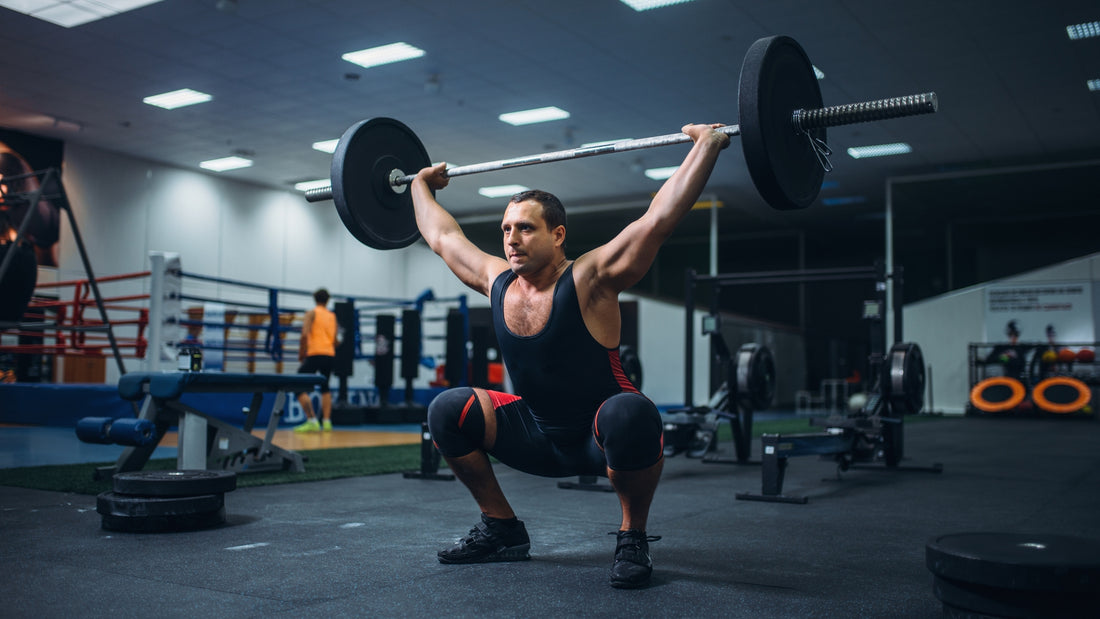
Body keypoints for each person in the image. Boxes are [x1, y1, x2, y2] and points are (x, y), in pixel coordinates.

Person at [409, 123, 730, 589]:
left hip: (603, 439)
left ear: (558, 234)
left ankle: (632, 537)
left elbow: (657, 220)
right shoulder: (497, 281)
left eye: (525, 228)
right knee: (447, 409)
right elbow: (442, 237)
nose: (512, 239)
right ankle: (502, 529)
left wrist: (707, 145)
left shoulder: (590, 278)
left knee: (630, 412)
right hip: (538, 436)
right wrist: (418, 185)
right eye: (506, 229)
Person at [293, 288, 337, 433]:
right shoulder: (332, 316)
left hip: (315, 353)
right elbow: (336, 339)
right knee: (325, 387)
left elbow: (304, 334)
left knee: (296, 385)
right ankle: (327, 422)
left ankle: (312, 420)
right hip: (329, 353)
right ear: (327, 300)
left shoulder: (311, 313)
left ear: (315, 299)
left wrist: (301, 353)